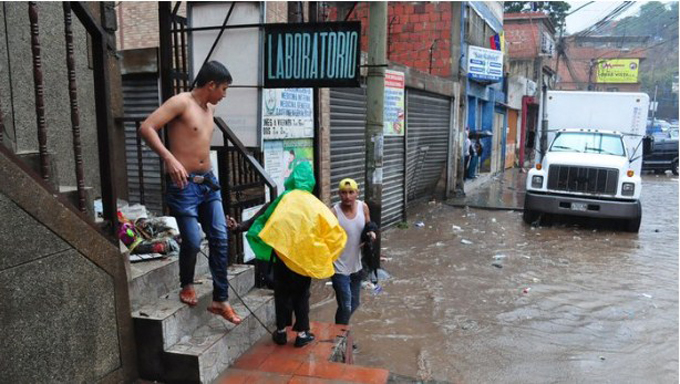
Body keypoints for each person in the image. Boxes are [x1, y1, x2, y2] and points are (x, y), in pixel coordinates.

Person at [138, 61, 241, 324]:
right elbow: (146, 127)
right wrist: (169, 159)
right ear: (210, 85)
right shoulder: (181, 102)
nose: (224, 95)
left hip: (208, 182)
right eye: (224, 89)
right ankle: (186, 283)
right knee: (193, 241)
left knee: (219, 236)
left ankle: (221, 299)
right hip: (184, 186)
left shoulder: (210, 108)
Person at [246, 162, 346, 348]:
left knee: (281, 293)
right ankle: (302, 334)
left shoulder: (285, 198)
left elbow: (265, 217)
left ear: (292, 178)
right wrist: (327, 255)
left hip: (282, 256)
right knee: (301, 295)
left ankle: (282, 332)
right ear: (311, 181)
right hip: (304, 260)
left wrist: (246, 228)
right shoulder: (315, 204)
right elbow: (334, 231)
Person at [331, 178, 376, 325]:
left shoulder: (363, 207)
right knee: (346, 305)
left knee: (354, 303)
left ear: (357, 193)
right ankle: (341, 337)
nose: (347, 196)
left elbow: (369, 225)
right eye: (343, 193)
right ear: (339, 194)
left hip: (356, 265)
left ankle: (338, 331)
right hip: (338, 267)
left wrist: (371, 233)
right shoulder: (334, 212)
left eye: (351, 192)